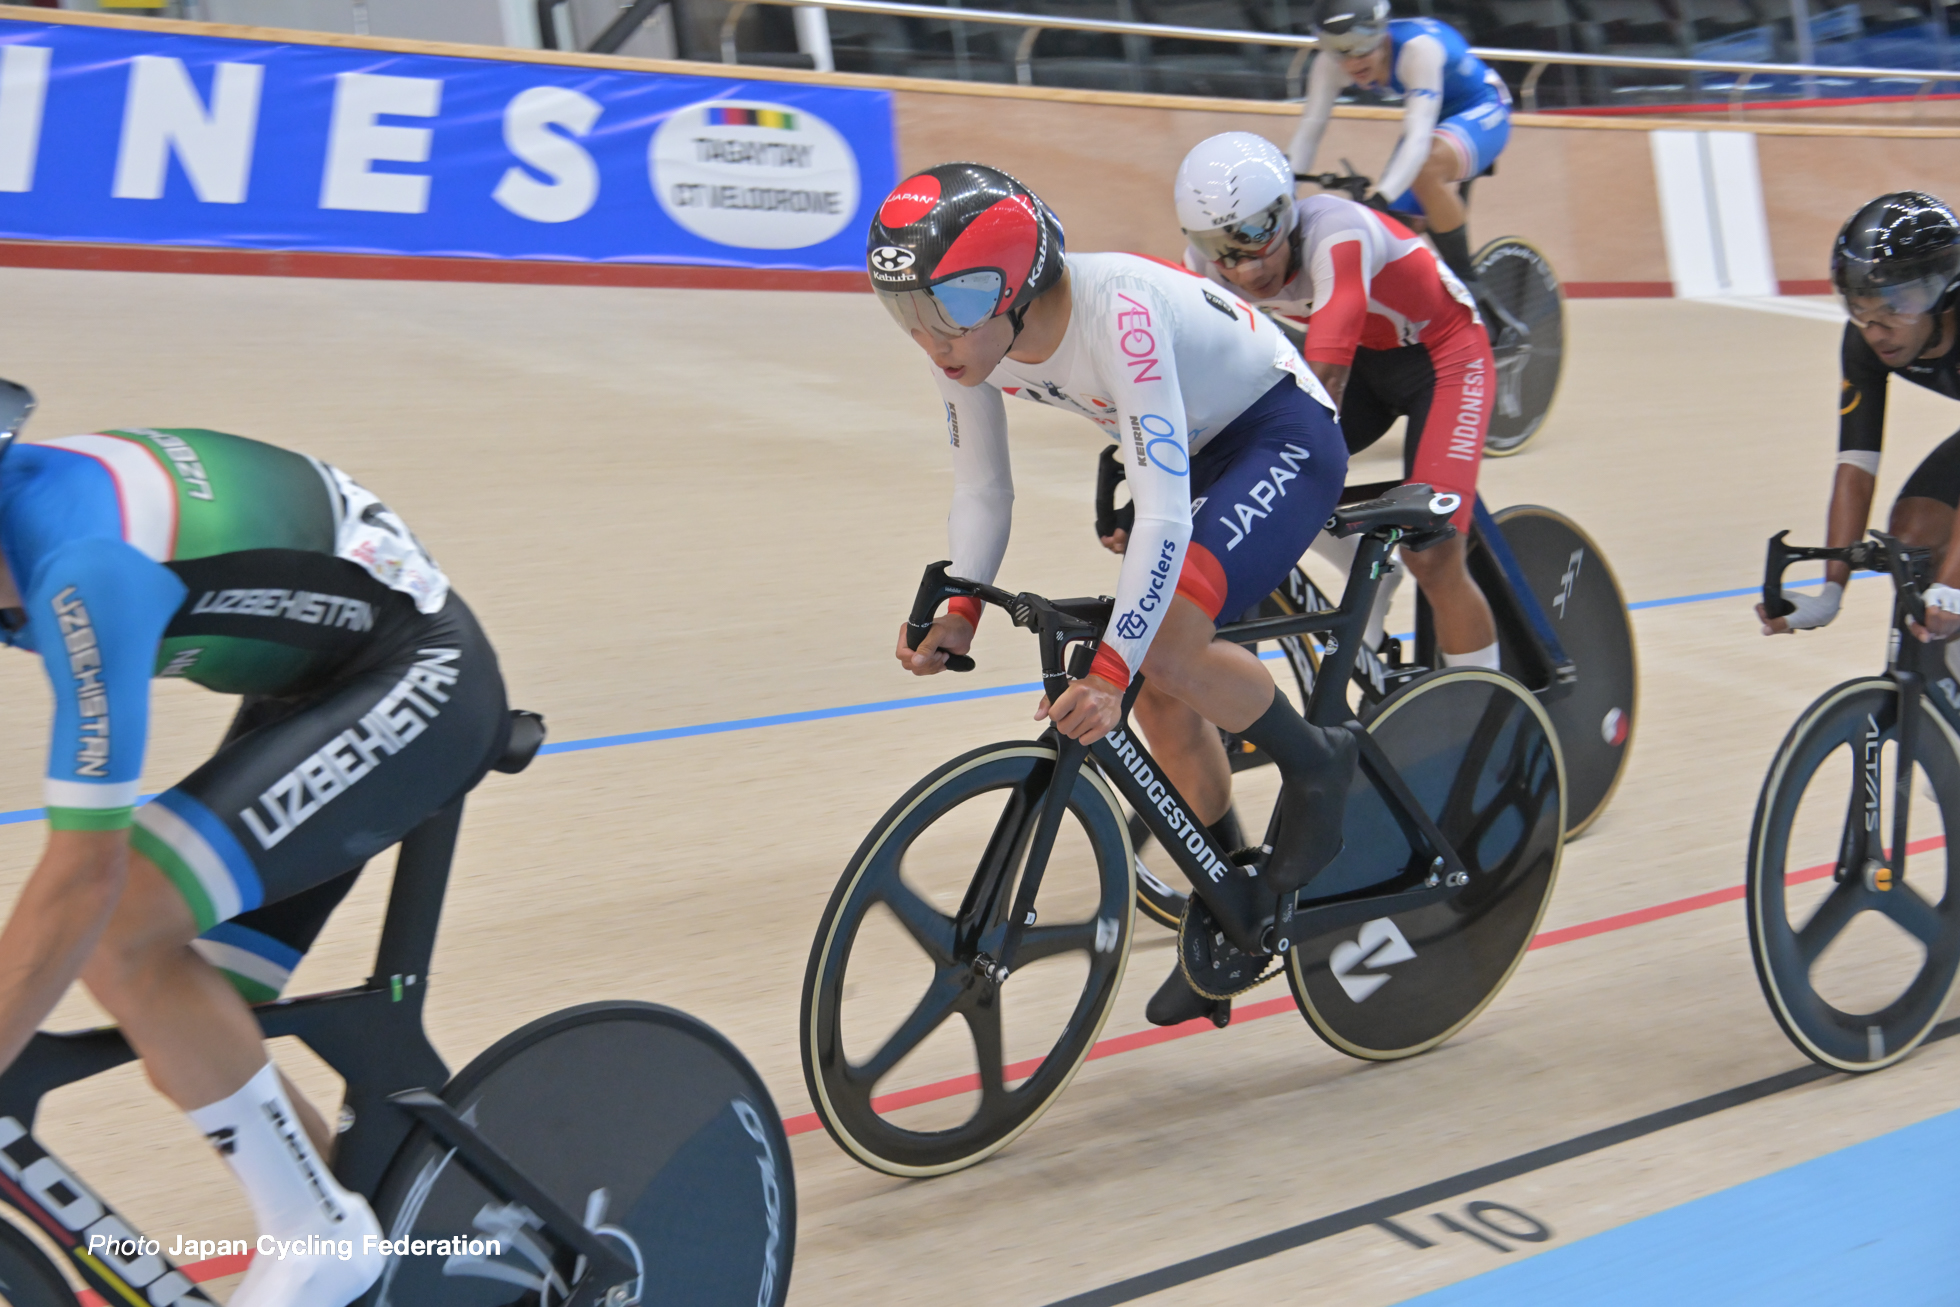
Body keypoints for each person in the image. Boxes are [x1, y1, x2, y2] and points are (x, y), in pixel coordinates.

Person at [0, 401, 511, 1307]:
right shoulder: (24, 510)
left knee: (121, 925)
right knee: (197, 1021)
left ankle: (323, 1236)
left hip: (418, 677)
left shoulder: (87, 569)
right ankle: (361, 1261)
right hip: (317, 677)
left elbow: (85, 874)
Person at [871, 162, 1353, 1027]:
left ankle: (1318, 763)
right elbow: (983, 488)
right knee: (1164, 705)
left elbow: (1164, 510)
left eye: (941, 312)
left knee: (1157, 652)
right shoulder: (968, 334)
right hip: (1194, 448)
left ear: (1010, 289)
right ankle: (1236, 908)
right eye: (904, 312)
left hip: (1280, 432)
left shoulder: (1117, 307)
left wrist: (1110, 670)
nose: (928, 339)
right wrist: (961, 607)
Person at [1167, 131, 1498, 673]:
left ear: (1288, 212)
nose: (1247, 266)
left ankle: (1492, 714)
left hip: (1445, 357)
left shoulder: (1335, 229)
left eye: (1259, 231)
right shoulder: (1202, 267)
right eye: (1221, 246)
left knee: (1433, 556)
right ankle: (1368, 568)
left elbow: (1327, 375)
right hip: (1372, 360)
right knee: (1243, 478)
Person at [1757, 192, 1960, 650]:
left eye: (1894, 308)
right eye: (1862, 310)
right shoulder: (1866, 341)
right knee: (1914, 539)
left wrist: (1952, 588)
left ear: (1941, 290)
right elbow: (1855, 468)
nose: (1877, 332)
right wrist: (1832, 591)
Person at [1287, 0, 1511, 308]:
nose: (1352, 61)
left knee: (1424, 170)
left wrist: (1380, 197)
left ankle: (1467, 279)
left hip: (1481, 108)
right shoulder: (1329, 65)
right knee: (1392, 229)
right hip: (1433, 120)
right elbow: (1309, 133)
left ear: (1381, 35)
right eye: (1337, 49)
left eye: (1363, 47)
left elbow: (1418, 137)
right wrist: (1285, 198)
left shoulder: (1417, 50)